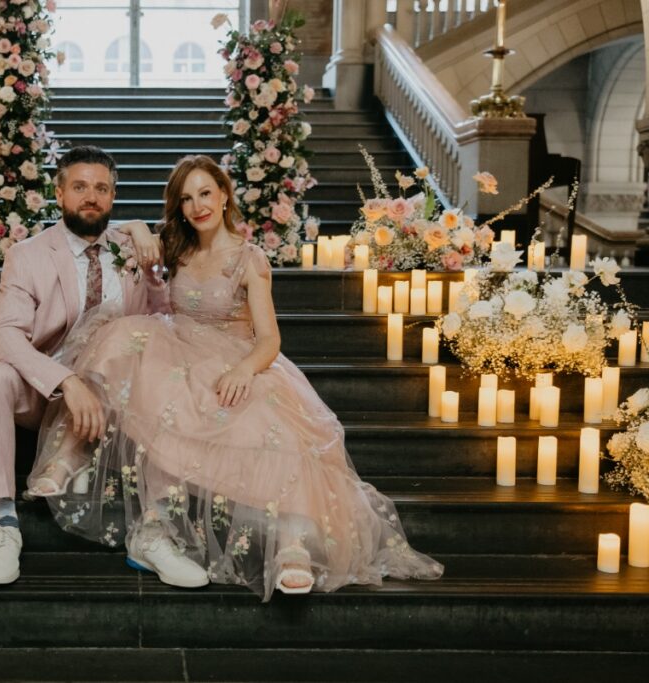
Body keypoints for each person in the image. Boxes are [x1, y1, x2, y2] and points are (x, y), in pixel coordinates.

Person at [27, 155, 444, 600]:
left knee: (278, 428)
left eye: (205, 193)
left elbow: (269, 339)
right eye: (186, 199)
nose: (196, 206)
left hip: (237, 357)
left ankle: (292, 546)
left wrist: (245, 368)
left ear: (224, 195)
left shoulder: (249, 259)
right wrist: (141, 228)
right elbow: (121, 231)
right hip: (178, 349)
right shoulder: (177, 245)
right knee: (120, 336)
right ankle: (73, 457)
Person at [0, 145, 205, 587]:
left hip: (121, 398)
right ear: (59, 194)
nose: (90, 197)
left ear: (113, 198)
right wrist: (66, 380)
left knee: (158, 360)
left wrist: (153, 272)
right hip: (49, 390)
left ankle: (153, 530)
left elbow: (163, 318)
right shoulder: (30, 255)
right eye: (79, 187)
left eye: (101, 189)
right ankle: (4, 523)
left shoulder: (132, 248)